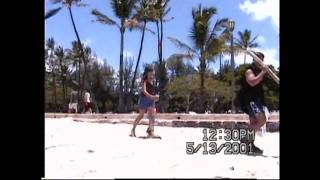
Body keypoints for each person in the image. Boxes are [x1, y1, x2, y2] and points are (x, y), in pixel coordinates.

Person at [238, 51, 270, 155]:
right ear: (255, 59)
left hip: (257, 99)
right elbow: (252, 82)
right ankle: (244, 138)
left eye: (262, 59)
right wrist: (263, 72)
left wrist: (264, 72)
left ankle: (250, 145)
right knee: (262, 119)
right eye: (259, 59)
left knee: (254, 123)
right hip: (251, 99)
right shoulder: (249, 71)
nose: (261, 61)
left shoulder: (259, 71)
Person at [130, 67, 160, 138]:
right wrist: (152, 97)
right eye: (150, 75)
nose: (151, 76)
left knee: (152, 115)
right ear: (146, 74)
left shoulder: (154, 82)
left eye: (153, 75)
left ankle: (151, 131)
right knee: (141, 115)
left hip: (151, 100)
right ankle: (133, 130)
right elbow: (144, 91)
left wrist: (156, 96)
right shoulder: (144, 81)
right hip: (144, 99)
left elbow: (155, 92)